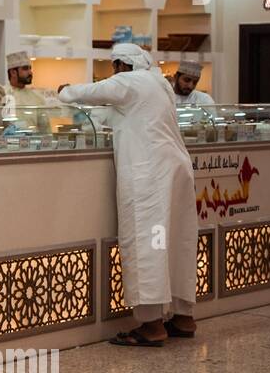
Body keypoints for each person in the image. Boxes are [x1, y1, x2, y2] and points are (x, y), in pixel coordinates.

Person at [57, 43, 198, 347]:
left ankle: (151, 325)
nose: (114, 72)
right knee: (176, 242)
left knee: (146, 242)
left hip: (149, 174)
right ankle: (184, 317)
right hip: (176, 169)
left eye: (115, 66)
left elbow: (89, 92)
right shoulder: (159, 83)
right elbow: (114, 114)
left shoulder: (130, 81)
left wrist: (64, 90)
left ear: (123, 65)